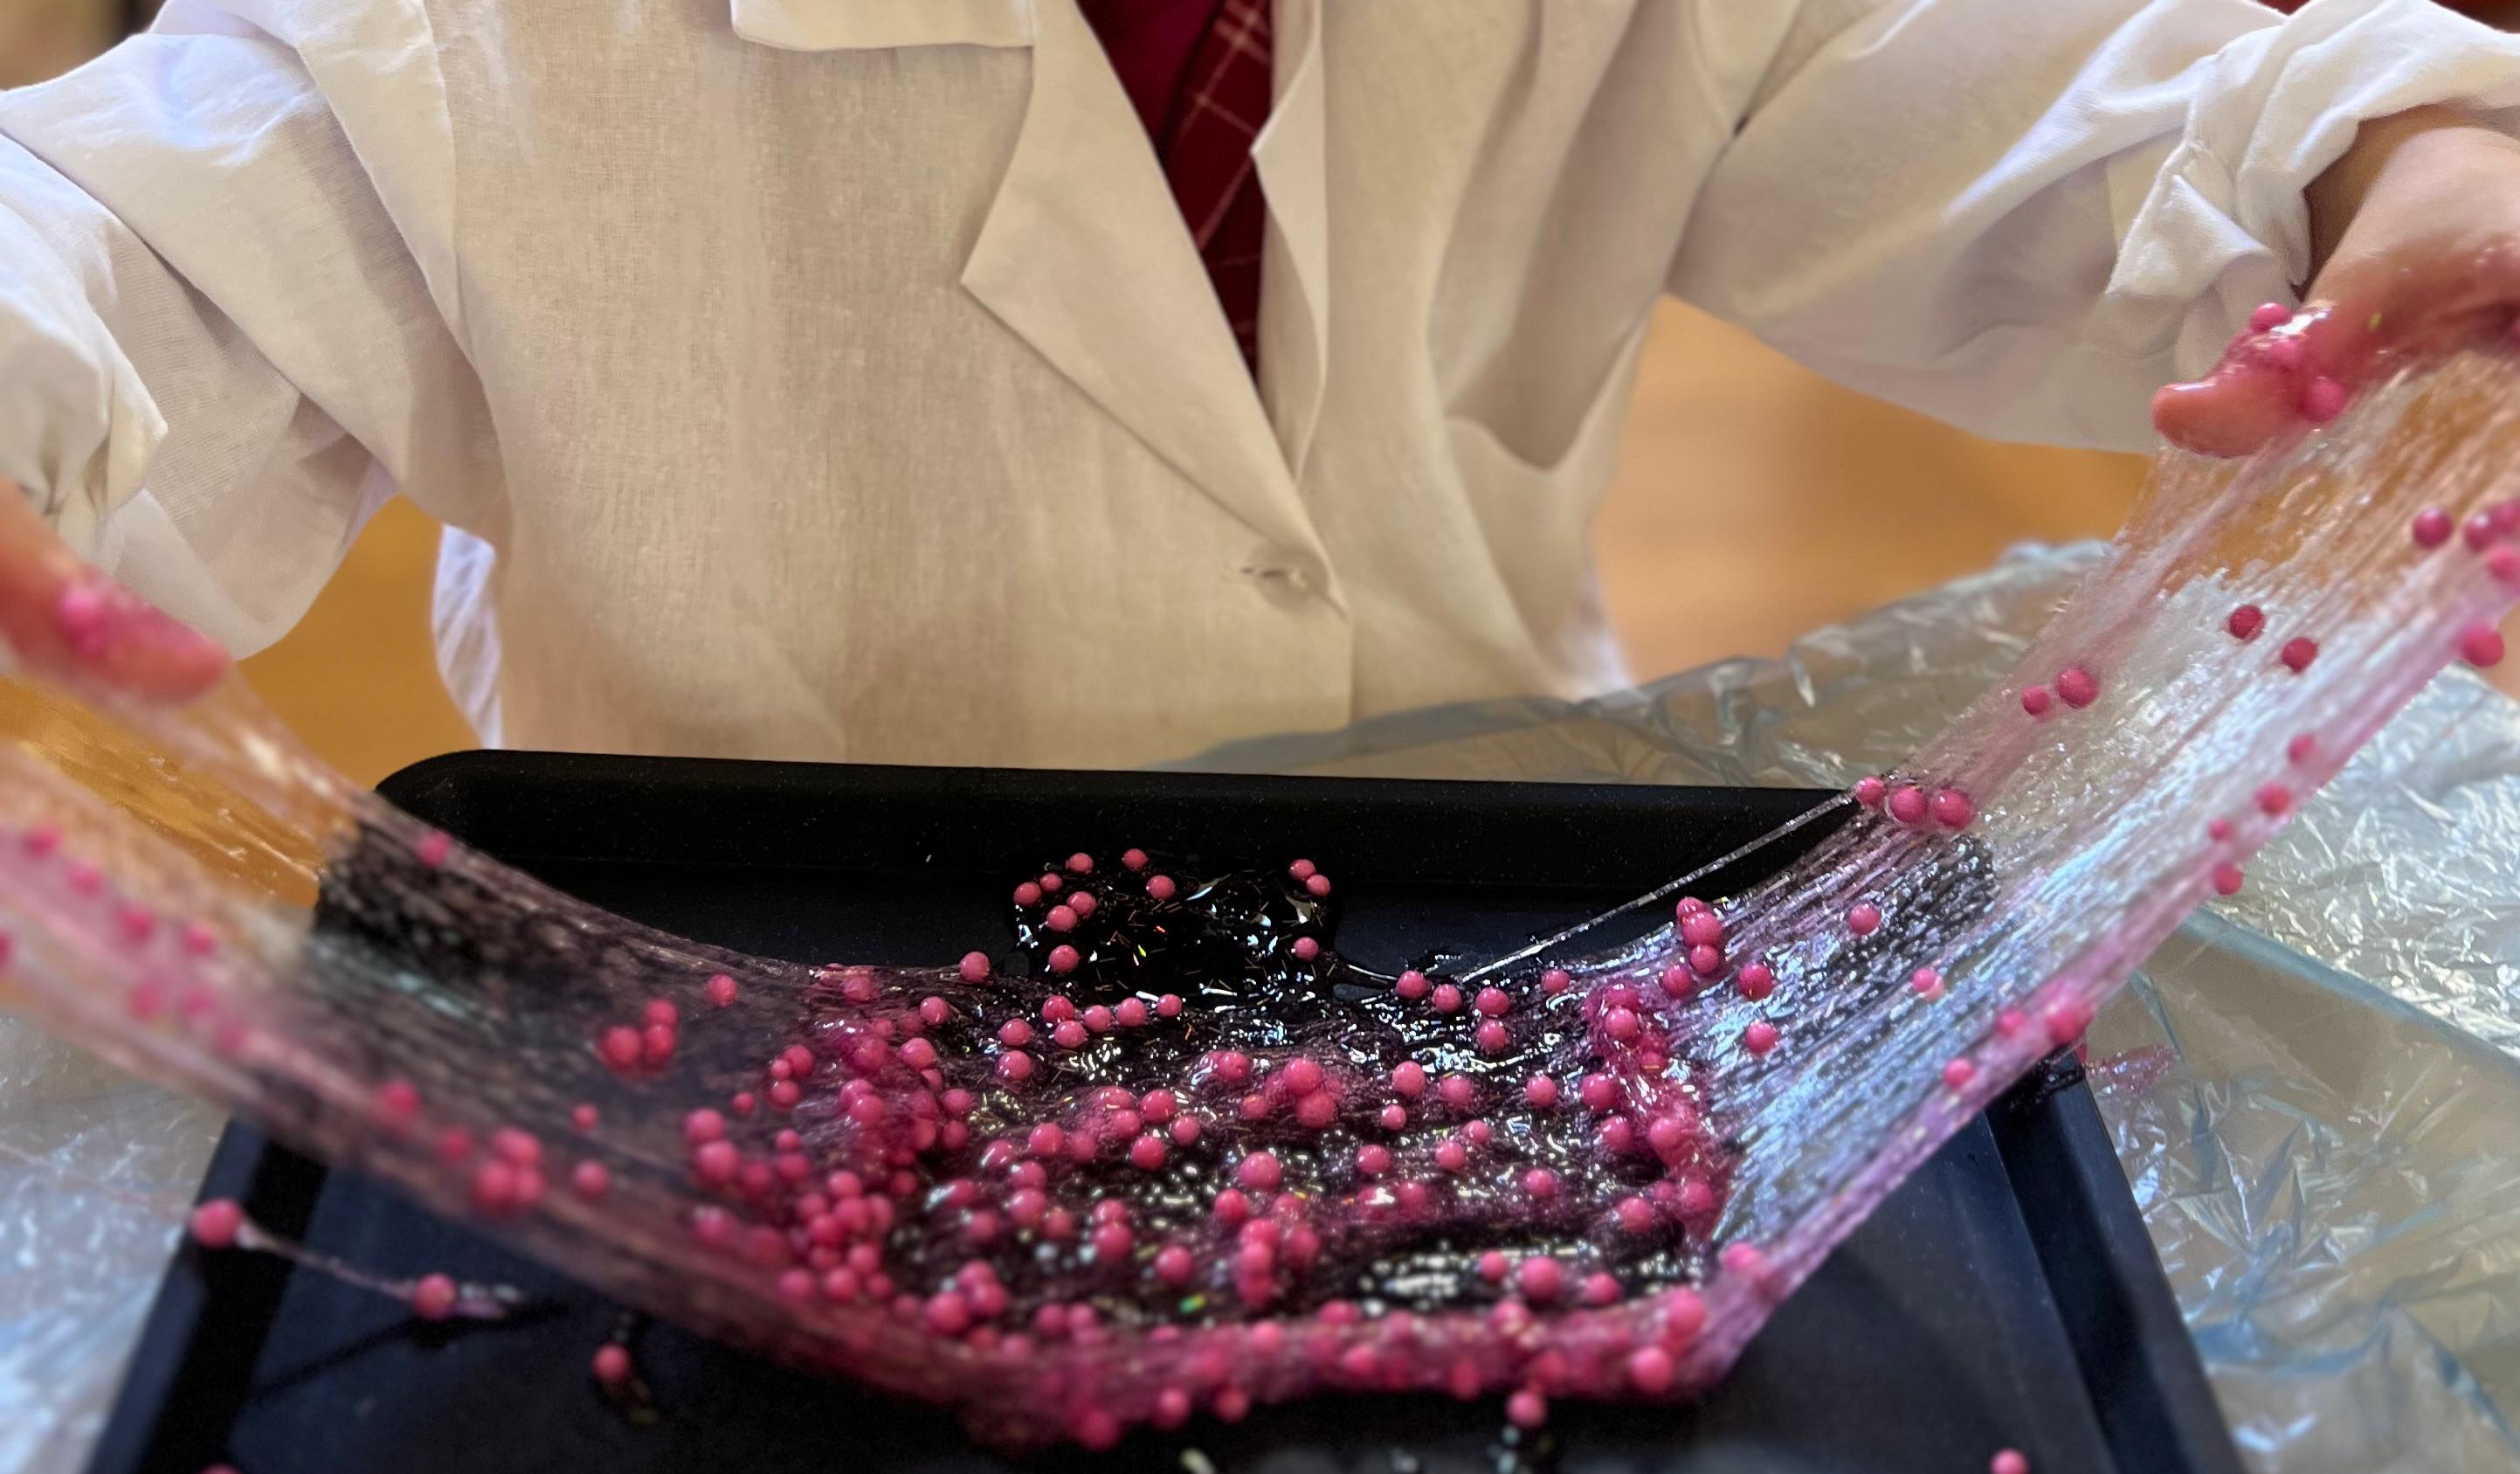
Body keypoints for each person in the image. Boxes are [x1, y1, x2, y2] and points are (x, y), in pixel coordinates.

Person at [0, 0, 2517, 765]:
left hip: (1475, 911)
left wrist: (2389, 153)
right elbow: (124, 250)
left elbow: (2019, 99)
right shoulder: (457, 33)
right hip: (748, 969)